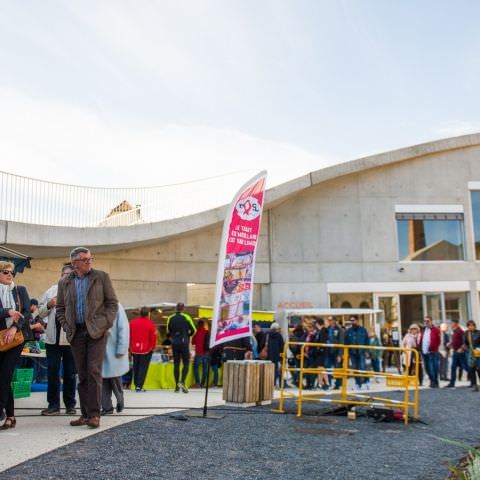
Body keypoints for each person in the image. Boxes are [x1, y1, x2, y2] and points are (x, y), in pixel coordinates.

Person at [57, 247, 118, 429]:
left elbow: (112, 303)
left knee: (93, 371)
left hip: (96, 332)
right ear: (74, 263)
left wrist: (104, 323)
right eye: (85, 259)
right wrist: (68, 327)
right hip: (76, 333)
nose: (89, 262)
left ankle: (94, 414)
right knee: (82, 374)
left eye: (90, 258)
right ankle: (84, 414)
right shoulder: (65, 282)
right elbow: (60, 308)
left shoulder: (101, 277)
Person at [38, 263, 77, 416]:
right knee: (52, 372)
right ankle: (53, 405)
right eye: (65, 274)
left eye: (71, 275)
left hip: (70, 340)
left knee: (70, 373)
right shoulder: (51, 291)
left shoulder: (79, 292)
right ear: (61, 275)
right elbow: (40, 314)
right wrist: (49, 304)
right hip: (52, 339)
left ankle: (70, 405)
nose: (67, 277)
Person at [0, 262, 32, 429]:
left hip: (16, 339)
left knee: (5, 375)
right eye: (5, 272)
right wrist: (7, 312)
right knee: (2, 378)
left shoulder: (20, 290)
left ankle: (1, 413)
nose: (9, 275)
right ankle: (10, 416)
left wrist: (14, 327)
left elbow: (27, 313)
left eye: (12, 272)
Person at [102, 304, 129, 415]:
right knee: (102, 380)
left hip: (113, 349)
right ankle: (106, 407)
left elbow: (124, 328)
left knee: (114, 378)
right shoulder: (95, 304)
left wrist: (121, 348)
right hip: (100, 350)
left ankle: (120, 400)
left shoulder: (117, 307)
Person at [167, 302, 196, 393]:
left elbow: (168, 331)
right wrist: (188, 336)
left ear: (176, 308)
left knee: (176, 364)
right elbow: (194, 330)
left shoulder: (170, 318)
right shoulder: (187, 317)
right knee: (186, 363)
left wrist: (173, 337)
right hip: (184, 343)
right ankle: (182, 381)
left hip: (174, 343)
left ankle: (176, 386)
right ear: (183, 309)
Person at [129, 307, 157, 392]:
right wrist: (153, 347)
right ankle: (139, 386)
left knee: (136, 366)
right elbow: (153, 337)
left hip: (134, 348)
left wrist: (129, 347)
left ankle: (136, 384)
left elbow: (129, 335)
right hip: (146, 349)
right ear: (148, 314)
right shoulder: (151, 324)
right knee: (143, 367)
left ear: (140, 313)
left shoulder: (132, 323)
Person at [344, 315, 370, 391]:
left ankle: (366, 381)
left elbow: (367, 340)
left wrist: (367, 351)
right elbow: (346, 342)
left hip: (361, 351)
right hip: (352, 353)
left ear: (357, 321)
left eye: (353, 320)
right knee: (355, 369)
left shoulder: (363, 330)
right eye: (351, 320)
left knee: (362, 367)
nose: (352, 322)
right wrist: (346, 353)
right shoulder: (348, 331)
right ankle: (358, 384)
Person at [445, 319, 468, 389]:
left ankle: (474, 381)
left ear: (456, 324)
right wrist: (450, 344)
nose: (451, 325)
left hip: (460, 352)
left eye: (452, 323)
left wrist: (462, 348)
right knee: (453, 367)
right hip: (455, 352)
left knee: (466, 367)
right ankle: (452, 383)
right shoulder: (455, 331)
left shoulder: (460, 331)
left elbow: (465, 341)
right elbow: (455, 341)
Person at [419, 316, 441, 388]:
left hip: (432, 351)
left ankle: (434, 382)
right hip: (424, 351)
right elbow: (422, 339)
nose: (426, 323)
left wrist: (434, 348)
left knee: (433, 367)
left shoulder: (436, 330)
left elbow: (438, 340)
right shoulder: (423, 330)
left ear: (431, 321)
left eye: (428, 321)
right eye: (425, 321)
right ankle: (432, 380)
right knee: (427, 368)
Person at [325, 316, 344, 390]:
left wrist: (340, 354)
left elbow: (341, 342)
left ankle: (338, 384)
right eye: (328, 320)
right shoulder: (327, 329)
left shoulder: (339, 330)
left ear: (334, 321)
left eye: (331, 320)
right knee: (327, 367)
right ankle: (328, 383)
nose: (329, 321)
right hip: (328, 351)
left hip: (336, 351)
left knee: (337, 368)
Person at [191, 318, 209, 388]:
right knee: (205, 368)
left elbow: (193, 342)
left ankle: (198, 383)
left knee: (195, 368)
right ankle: (203, 384)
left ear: (198, 325)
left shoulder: (197, 332)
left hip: (198, 353)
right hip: (206, 353)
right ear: (204, 325)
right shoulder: (207, 332)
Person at [267, 322, 285, 388]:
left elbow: (266, 345)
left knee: (271, 370)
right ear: (277, 328)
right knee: (279, 370)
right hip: (278, 356)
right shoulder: (279, 336)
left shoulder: (268, 335)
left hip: (270, 356)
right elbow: (282, 346)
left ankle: (272, 383)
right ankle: (279, 384)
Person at [465, 320, 480, 392]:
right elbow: (465, 343)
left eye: (472, 325)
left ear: (474, 326)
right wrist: (468, 350)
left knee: (479, 369)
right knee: (471, 370)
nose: (470, 327)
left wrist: (477, 350)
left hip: (478, 353)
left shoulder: (479, 333)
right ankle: (475, 386)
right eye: (469, 326)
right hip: (470, 354)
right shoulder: (466, 333)